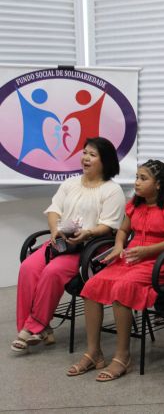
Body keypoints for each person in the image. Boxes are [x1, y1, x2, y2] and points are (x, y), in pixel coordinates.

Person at [66, 160, 164, 381]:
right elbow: (123, 231)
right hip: (131, 258)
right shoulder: (135, 204)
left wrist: (149, 250)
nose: (137, 183)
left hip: (159, 262)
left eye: (143, 178)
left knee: (123, 288)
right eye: (136, 178)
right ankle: (94, 353)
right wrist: (119, 246)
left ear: (158, 183)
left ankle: (122, 356)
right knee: (92, 285)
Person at [12, 137, 125, 352]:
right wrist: (55, 230)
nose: (86, 158)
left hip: (88, 248)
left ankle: (34, 327)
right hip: (62, 243)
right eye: (85, 153)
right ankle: (35, 326)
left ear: (105, 161)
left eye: (92, 155)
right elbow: (54, 210)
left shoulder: (112, 190)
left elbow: (108, 226)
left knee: (52, 272)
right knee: (28, 267)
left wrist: (87, 233)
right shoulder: (70, 183)